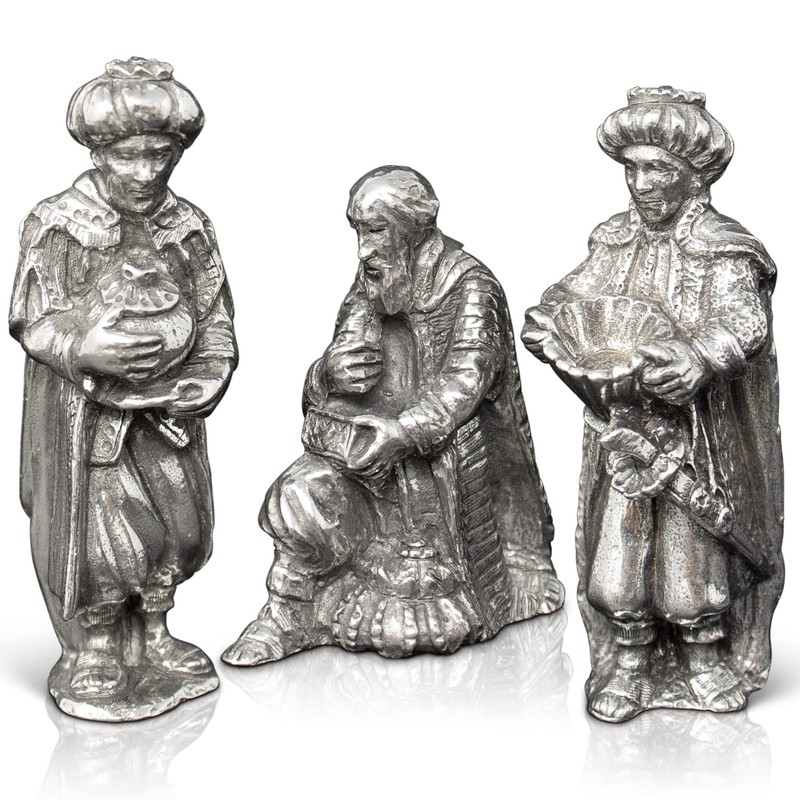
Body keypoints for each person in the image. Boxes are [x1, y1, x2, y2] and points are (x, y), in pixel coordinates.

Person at [224, 166, 562, 665]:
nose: (364, 249)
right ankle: (287, 614)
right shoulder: (374, 279)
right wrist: (329, 373)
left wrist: (403, 432)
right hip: (366, 446)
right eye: (358, 231)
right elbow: (336, 365)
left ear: (412, 227)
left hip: (445, 452)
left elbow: (468, 380)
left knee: (424, 560)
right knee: (298, 492)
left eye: (376, 230)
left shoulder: (471, 286)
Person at [523, 87, 783, 722]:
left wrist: (703, 355)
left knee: (692, 553)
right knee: (620, 550)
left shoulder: (722, 247)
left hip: (697, 436)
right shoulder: (615, 242)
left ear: (694, 175)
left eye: (658, 169)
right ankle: (630, 660)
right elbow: (570, 295)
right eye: (631, 169)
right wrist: (550, 320)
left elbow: (745, 319)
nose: (641, 184)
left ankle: (704, 656)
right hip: (624, 431)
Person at [10, 57, 237, 718]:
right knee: (107, 536)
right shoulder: (61, 224)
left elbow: (216, 316)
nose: (145, 173)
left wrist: (211, 372)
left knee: (177, 528)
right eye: (128, 157)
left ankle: (157, 633)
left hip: (169, 418)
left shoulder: (188, 226)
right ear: (97, 151)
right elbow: (31, 317)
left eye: (160, 156)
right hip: (92, 419)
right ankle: (98, 647)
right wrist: (82, 347)